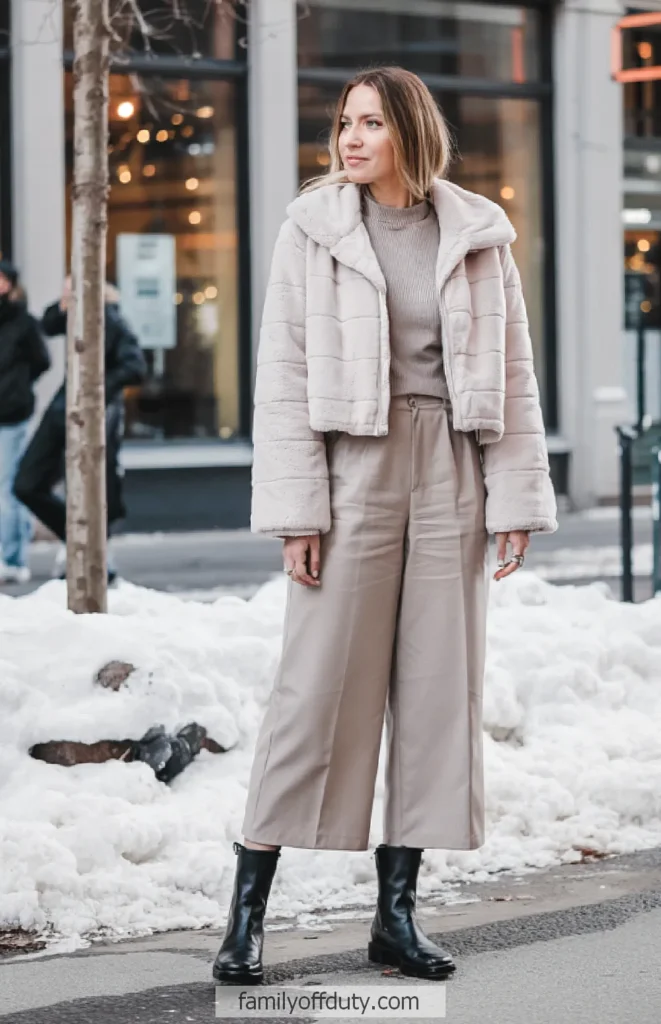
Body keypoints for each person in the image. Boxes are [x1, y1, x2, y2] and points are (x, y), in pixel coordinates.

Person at [212, 66, 558, 986]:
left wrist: (515, 500)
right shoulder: (314, 229)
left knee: (439, 693)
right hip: (352, 468)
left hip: (452, 469)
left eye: (370, 122)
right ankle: (246, 917)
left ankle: (395, 918)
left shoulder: (477, 234)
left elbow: (512, 375)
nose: (350, 138)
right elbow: (282, 378)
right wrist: (296, 511)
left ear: (410, 129)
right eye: (344, 122)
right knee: (314, 690)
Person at [14, 278, 147, 579]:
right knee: (26, 483)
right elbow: (48, 325)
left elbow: (135, 367)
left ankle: (96, 554)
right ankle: (76, 537)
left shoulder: (111, 320)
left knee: (94, 486)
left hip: (97, 414)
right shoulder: (74, 315)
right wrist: (63, 306)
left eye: (71, 290)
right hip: (63, 409)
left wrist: (95, 388)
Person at [0, 259, 51, 584]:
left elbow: (42, 361)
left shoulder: (23, 322)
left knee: (7, 488)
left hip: (11, 414)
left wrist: (17, 388)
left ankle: (12, 559)